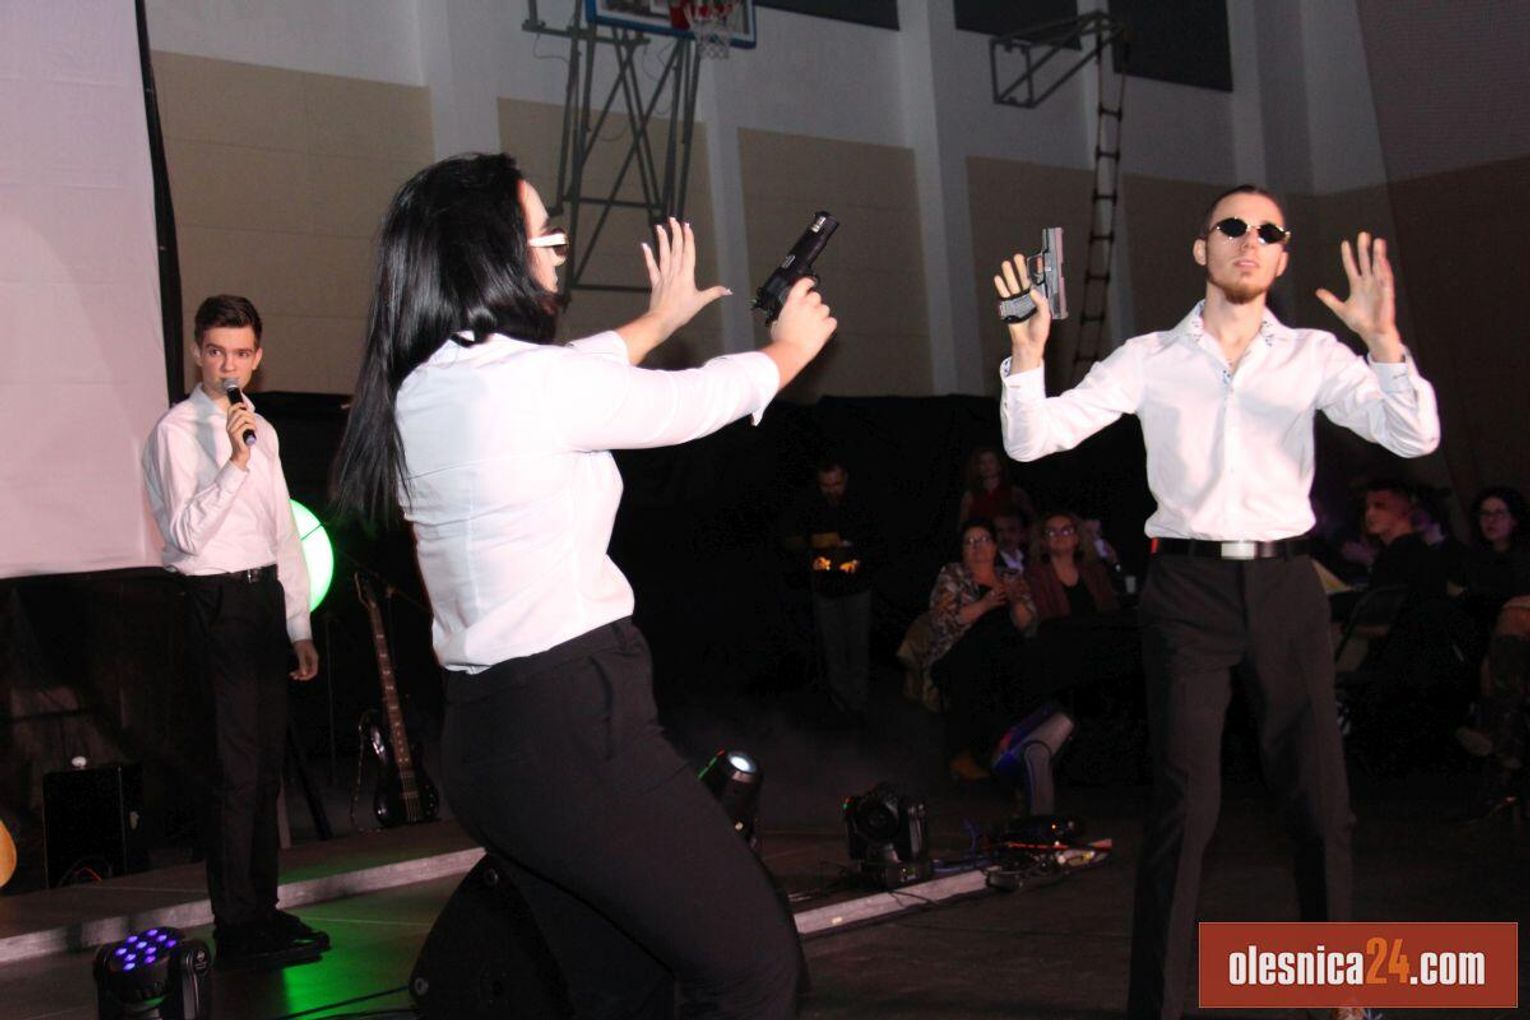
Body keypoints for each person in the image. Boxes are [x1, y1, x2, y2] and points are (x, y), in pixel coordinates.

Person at [330, 153, 836, 1017]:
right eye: (539, 231)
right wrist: (790, 350)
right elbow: (687, 402)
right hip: (571, 727)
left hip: (488, 746)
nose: (556, 245)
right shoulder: (528, 385)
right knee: (754, 968)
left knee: (621, 990)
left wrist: (657, 319)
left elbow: (572, 375)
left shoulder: (421, 388)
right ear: (487, 252)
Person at [995, 184, 1439, 1020]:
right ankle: (1158, 1005)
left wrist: (1383, 342)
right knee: (1184, 804)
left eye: (1268, 231)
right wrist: (1027, 356)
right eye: (1232, 226)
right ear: (1203, 249)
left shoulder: (1313, 355)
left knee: (1321, 799)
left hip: (1284, 585)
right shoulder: (1150, 358)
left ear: (1282, 256)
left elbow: (1415, 436)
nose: (1249, 239)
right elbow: (1032, 439)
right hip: (1187, 590)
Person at [141, 295, 327, 968]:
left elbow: (283, 533)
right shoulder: (176, 431)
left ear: (258, 358)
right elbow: (185, 534)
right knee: (234, 774)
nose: (229, 365)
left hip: (260, 601)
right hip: (213, 603)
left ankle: (263, 912)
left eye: (241, 353)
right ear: (198, 353)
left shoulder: (263, 431)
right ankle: (236, 925)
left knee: (266, 771)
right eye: (217, 352)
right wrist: (233, 463)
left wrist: (297, 624)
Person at [925, 519, 1038, 780]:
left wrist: (1015, 601)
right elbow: (942, 622)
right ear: (962, 550)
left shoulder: (1010, 576)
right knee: (983, 648)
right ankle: (965, 753)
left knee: (1016, 659)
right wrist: (984, 605)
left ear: (995, 545)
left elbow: (1027, 624)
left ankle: (1019, 752)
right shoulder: (953, 574)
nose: (978, 547)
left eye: (984, 540)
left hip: (1002, 657)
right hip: (956, 655)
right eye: (970, 542)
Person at [783, 456, 881, 722]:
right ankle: (840, 704)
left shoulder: (860, 504)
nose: (831, 490)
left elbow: (877, 543)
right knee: (833, 648)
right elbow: (793, 541)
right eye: (826, 485)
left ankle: (858, 704)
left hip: (857, 588)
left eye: (836, 484)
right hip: (825, 590)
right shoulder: (811, 506)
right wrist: (813, 551)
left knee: (858, 647)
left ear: (845, 479)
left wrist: (856, 558)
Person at [1025, 510, 1120, 622]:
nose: (1059, 535)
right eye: (1051, 532)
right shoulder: (1036, 576)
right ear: (1043, 541)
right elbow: (1044, 619)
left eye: (1066, 531)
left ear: (1077, 538)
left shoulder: (1094, 571)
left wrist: (1114, 563)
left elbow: (1111, 608)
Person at [958, 445, 1037, 528]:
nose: (987, 466)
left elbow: (1033, 519)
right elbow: (963, 524)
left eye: (991, 462)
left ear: (999, 466)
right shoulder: (970, 495)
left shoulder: (1015, 492)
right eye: (982, 463)